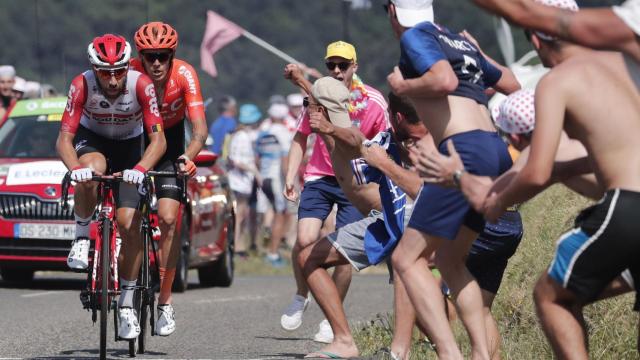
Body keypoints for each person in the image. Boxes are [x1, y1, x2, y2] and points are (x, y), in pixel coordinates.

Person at [453, 0, 640, 356]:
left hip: (630, 204)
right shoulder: (624, 62)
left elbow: (536, 171)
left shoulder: (558, 81)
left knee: (551, 296)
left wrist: (496, 202)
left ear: (537, 42)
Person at [384, 1, 521, 358]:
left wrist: (404, 83)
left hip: (464, 150)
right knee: (449, 260)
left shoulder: (414, 36)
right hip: (494, 148)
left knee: (406, 260)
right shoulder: (456, 41)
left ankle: (449, 353)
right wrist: (477, 52)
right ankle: (479, 353)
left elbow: (443, 80)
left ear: (392, 12)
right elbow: (510, 82)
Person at [56, 34, 166, 340]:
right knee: (92, 171)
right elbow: (64, 139)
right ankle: (81, 236)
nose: (114, 79)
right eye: (106, 72)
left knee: (128, 223)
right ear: (94, 68)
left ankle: (128, 304)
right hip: (94, 141)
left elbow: (158, 139)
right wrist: (75, 170)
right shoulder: (81, 85)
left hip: (132, 146)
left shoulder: (141, 85)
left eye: (119, 71)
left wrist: (141, 169)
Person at [281, 41, 389, 340]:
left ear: (355, 66)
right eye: (332, 65)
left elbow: (386, 142)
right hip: (320, 176)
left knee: (343, 251)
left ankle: (333, 317)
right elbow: (300, 137)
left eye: (343, 65)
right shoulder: (318, 95)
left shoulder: (374, 101)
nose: (337, 71)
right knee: (304, 239)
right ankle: (302, 295)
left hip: (355, 181)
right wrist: (291, 176)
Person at [131, 21, 208, 336]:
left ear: (172, 54)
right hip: (135, 137)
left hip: (171, 140)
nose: (157, 63)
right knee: (125, 215)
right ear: (141, 57)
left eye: (163, 56)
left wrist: (187, 157)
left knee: (168, 218)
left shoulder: (185, 74)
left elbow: (200, 129)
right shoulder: (130, 72)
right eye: (150, 57)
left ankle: (164, 300)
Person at [255, 103, 292, 267]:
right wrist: (289, 182)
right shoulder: (284, 133)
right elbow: (285, 160)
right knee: (280, 214)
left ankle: (262, 247)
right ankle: (273, 253)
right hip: (277, 178)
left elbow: (257, 158)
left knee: (267, 214)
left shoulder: (264, 132)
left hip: (264, 177)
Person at [228, 104, 262, 258]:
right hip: (239, 181)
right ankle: (236, 246)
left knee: (241, 216)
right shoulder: (242, 137)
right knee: (239, 216)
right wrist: (254, 171)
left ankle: (238, 245)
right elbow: (237, 161)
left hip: (241, 181)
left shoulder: (239, 135)